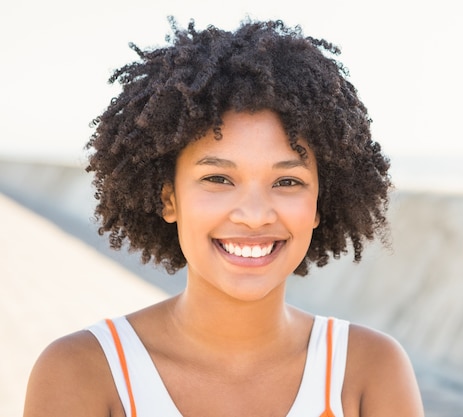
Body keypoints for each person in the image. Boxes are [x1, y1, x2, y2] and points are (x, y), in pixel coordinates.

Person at [23, 17, 424, 417]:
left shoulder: (369, 372)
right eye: (218, 178)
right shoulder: (84, 372)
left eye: (286, 181)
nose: (254, 215)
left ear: (320, 202)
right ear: (169, 198)